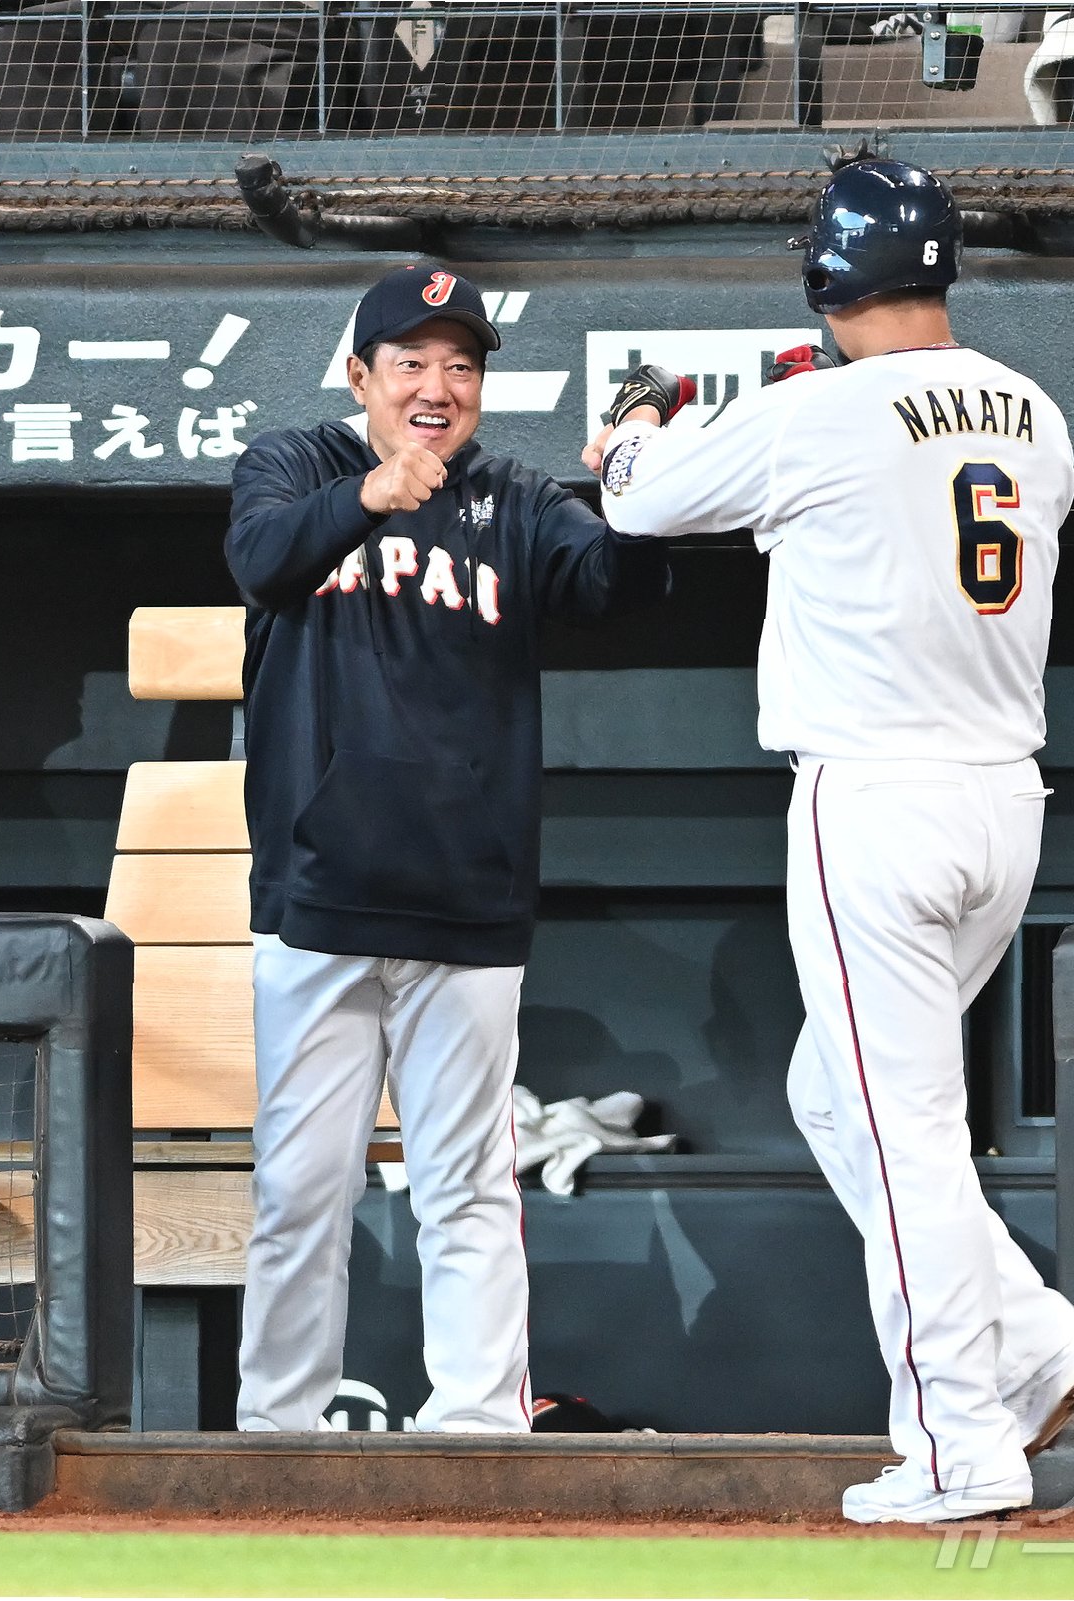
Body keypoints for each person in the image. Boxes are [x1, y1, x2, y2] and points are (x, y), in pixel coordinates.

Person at [581, 159, 1074, 1524]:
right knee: (837, 1097)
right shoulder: (1034, 409)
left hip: (875, 801)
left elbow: (636, 498)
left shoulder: (816, 407)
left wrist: (633, 421)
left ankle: (955, 1444)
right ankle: (1028, 1337)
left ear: (827, 276)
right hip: (1002, 805)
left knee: (906, 1130)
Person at [226, 263, 669, 1434]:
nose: (437, 385)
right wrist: (370, 494)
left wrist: (637, 482)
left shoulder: (512, 497)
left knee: (467, 1186)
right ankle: (275, 1430)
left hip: (467, 909)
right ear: (359, 374)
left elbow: (615, 586)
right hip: (317, 898)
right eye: (412, 362)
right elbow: (260, 559)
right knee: (299, 1191)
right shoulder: (292, 464)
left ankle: (476, 1427)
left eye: (460, 365)